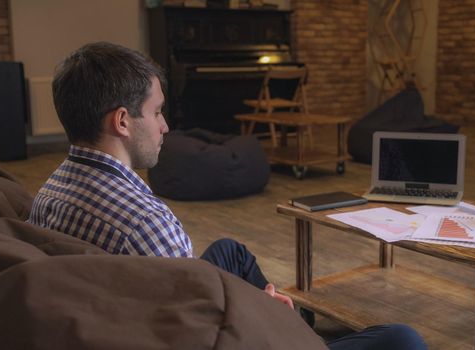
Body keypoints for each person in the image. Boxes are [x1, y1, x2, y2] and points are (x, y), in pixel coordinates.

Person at [28, 42, 426, 350]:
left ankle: (294, 323)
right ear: (122, 121)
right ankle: (303, 336)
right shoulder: (145, 223)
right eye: (157, 112)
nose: (166, 126)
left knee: (229, 250)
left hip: (117, 313)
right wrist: (264, 316)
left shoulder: (50, 191)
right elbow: (201, 337)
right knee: (401, 338)